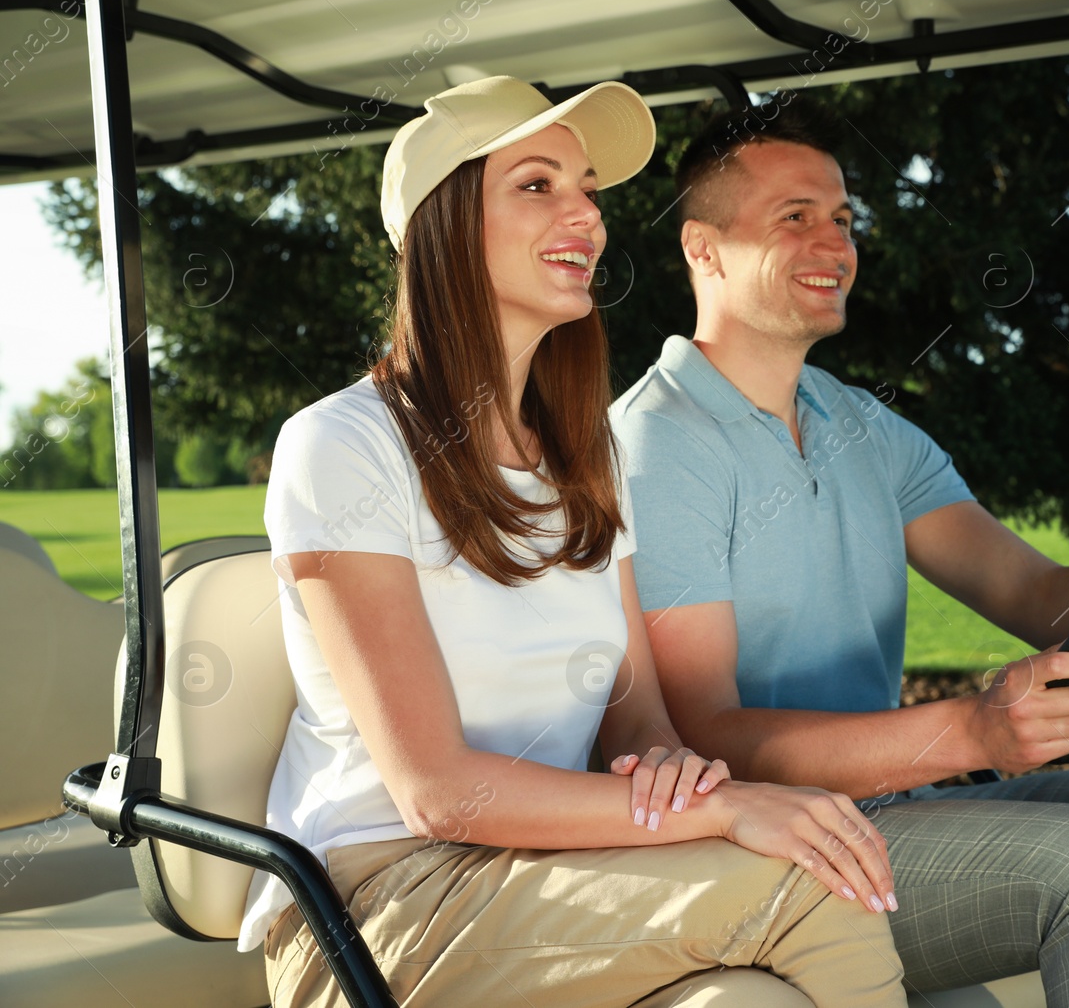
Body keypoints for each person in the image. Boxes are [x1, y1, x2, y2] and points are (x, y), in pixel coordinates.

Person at [612, 101, 1069, 1008]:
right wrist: (968, 730)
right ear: (704, 248)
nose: (834, 242)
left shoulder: (860, 424)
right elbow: (708, 736)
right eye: (795, 218)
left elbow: (1033, 589)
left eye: (843, 218)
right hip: (769, 849)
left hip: (899, 812)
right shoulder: (661, 444)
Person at [236, 76, 910, 1008]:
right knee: (814, 892)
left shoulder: (584, 454)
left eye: (587, 188)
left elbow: (637, 719)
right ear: (441, 228)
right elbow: (439, 792)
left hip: (541, 872)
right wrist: (726, 805)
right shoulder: (342, 445)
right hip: (378, 903)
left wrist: (671, 765)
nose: (587, 214)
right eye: (537, 185)